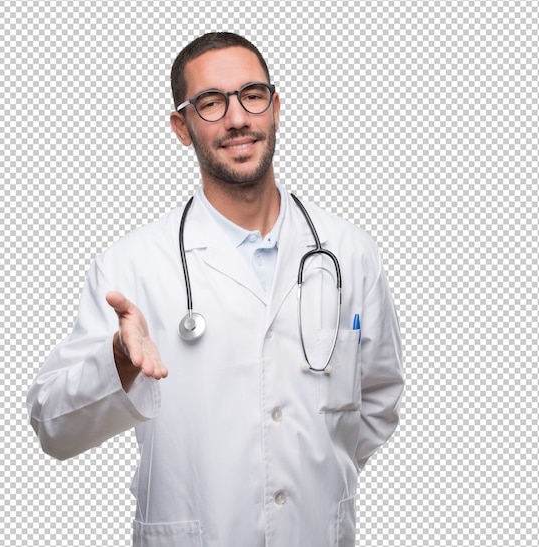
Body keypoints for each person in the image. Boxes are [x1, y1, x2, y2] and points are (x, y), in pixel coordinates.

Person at [27, 32, 404, 547]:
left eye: (252, 95)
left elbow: (377, 400)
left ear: (275, 107)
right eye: (211, 103)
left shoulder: (350, 253)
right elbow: (53, 427)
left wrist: (313, 468)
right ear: (181, 128)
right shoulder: (133, 265)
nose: (237, 119)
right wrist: (117, 362)